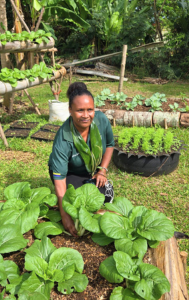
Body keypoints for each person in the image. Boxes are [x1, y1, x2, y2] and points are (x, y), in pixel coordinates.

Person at [47, 82, 115, 236]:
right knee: (75, 201)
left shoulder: (101, 120)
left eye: (90, 110)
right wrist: (64, 215)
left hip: (92, 170)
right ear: (70, 110)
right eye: (80, 110)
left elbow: (110, 144)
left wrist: (102, 170)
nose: (86, 115)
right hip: (70, 173)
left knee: (105, 196)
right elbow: (60, 179)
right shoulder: (63, 138)